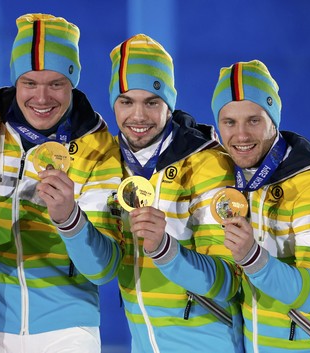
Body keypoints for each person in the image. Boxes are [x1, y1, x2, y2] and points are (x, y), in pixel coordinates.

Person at [58, 34, 244, 352]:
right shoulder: (109, 162)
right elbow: (100, 270)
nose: (138, 116)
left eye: (152, 102)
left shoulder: (208, 165)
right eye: (126, 101)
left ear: (169, 104)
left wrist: (165, 249)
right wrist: (69, 221)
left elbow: (229, 280)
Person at [0, 13, 122, 353]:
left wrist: (70, 218)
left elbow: (104, 269)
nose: (42, 98)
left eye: (56, 84)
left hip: (67, 329)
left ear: (73, 83)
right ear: (15, 81)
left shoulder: (98, 147)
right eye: (30, 83)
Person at [211, 59, 310, 352]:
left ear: (274, 121)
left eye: (254, 120)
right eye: (229, 122)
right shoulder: (239, 181)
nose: (240, 135)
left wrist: (253, 258)